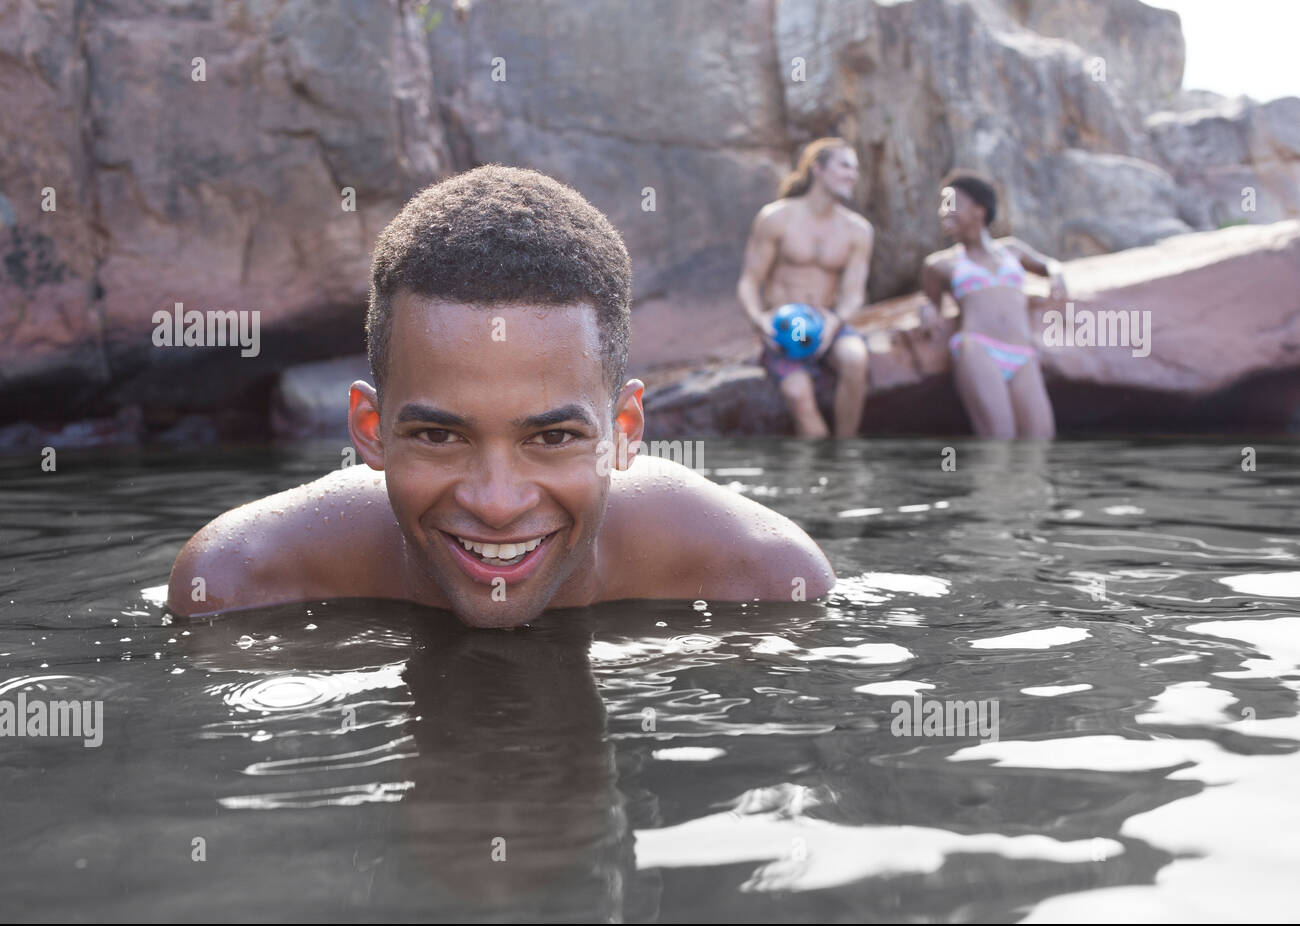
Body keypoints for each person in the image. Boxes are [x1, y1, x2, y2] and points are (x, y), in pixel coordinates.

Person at [166, 165, 835, 628]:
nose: (495, 502)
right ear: (368, 429)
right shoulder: (239, 583)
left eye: (551, 438)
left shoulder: (766, 580)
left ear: (625, 430)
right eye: (438, 435)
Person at [736, 138, 875, 438]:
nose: (853, 174)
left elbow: (854, 294)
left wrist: (834, 321)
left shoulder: (858, 230)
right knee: (799, 396)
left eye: (856, 169)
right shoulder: (776, 217)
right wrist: (758, 319)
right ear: (818, 169)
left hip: (827, 323)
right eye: (845, 165)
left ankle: (846, 450)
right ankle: (819, 471)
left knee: (856, 357)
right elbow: (749, 281)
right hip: (784, 330)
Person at [918, 170, 1066, 439]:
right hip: (978, 349)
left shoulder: (1012, 250)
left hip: (1022, 353)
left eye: (951, 203)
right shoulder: (941, 264)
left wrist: (1057, 277)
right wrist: (926, 311)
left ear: (979, 208)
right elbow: (930, 303)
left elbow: (1050, 265)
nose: (943, 212)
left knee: (1041, 440)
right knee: (999, 439)